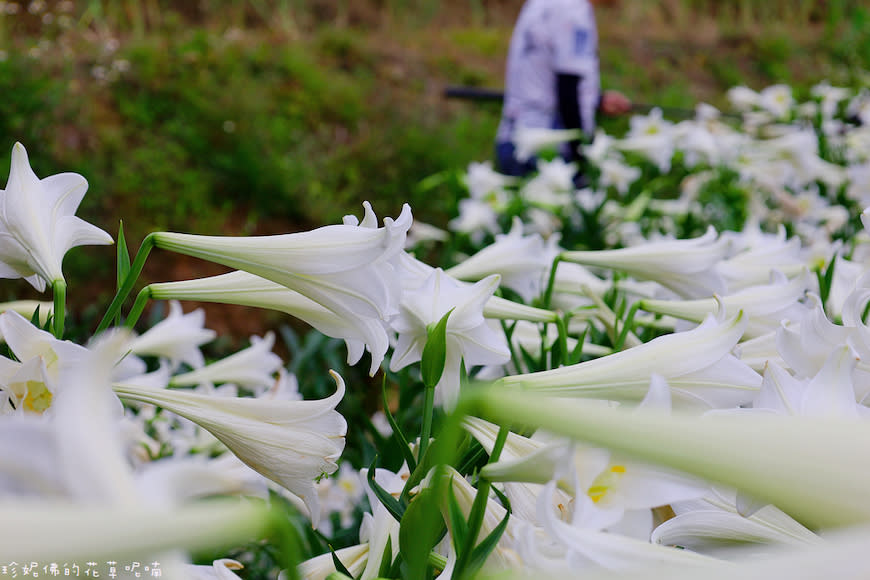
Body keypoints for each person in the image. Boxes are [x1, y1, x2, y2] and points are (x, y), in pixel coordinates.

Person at [495, 0, 631, 181]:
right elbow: (567, 86)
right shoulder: (573, 9)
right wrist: (580, 158)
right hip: (548, 151)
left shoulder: (540, 4)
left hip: (514, 135)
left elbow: (544, 73)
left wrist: (595, 100)